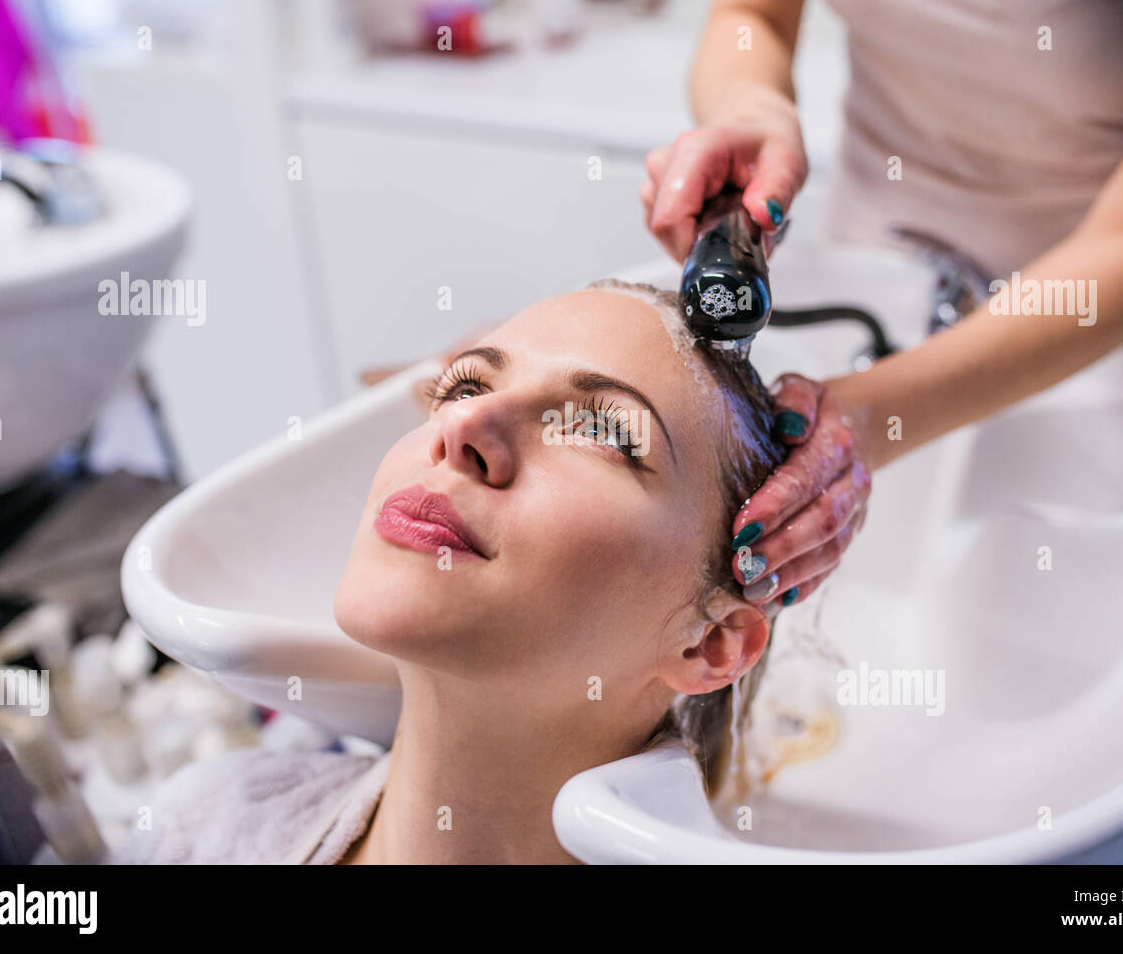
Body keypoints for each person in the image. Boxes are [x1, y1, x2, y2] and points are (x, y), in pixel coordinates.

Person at [121, 279, 800, 864]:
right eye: (464, 385)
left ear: (711, 643)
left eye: (600, 430)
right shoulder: (207, 822)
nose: (465, 425)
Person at [642, 0, 1123, 612]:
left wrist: (873, 417)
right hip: (876, 293)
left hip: (1119, 359)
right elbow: (751, 17)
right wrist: (754, 110)